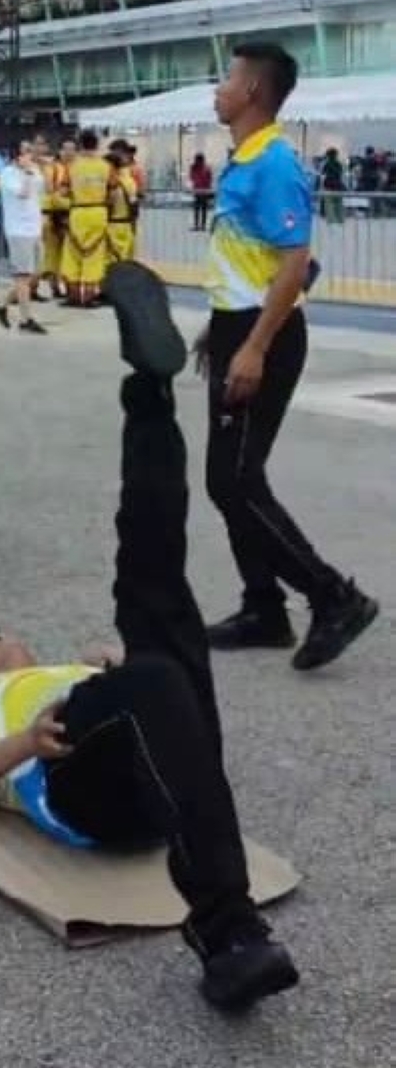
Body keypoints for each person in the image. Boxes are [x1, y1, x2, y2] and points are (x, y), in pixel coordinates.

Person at [0, 263, 299, 1013]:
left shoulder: (68, 669)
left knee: (158, 585)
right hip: (74, 782)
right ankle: (228, 930)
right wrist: (24, 743)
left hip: (126, 734)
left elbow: (135, 681)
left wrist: (111, 671)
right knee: (159, 660)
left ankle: (149, 396)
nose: (2, 637)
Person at [199, 42, 377, 669]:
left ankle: (333, 597)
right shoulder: (244, 158)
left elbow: (297, 262)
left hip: (263, 336)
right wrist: (219, 331)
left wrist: (252, 346)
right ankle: (263, 608)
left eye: (227, 79)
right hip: (236, 326)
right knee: (231, 479)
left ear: (252, 91)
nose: (218, 89)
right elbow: (252, 262)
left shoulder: (272, 161)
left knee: (235, 478)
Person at [0, 140, 47, 334]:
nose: (30, 155)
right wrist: (27, 173)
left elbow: (39, 192)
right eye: (26, 152)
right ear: (17, 156)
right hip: (18, 230)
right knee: (23, 275)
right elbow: (22, 194)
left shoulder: (36, 170)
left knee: (37, 271)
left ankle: (2, 304)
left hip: (35, 228)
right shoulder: (7, 175)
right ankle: (26, 318)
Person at [60, 129, 111, 307]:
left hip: (78, 212)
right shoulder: (105, 166)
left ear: (80, 144)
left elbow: (63, 191)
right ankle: (89, 297)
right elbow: (112, 191)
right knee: (94, 254)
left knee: (74, 252)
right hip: (98, 212)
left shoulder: (72, 166)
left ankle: (73, 296)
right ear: (96, 144)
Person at [32, 135, 65, 300]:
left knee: (51, 252)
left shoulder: (55, 167)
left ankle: (55, 285)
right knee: (34, 253)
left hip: (49, 213)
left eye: (43, 144)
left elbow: (56, 189)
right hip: (30, 215)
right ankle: (31, 287)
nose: (40, 148)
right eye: (37, 144)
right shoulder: (26, 166)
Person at [105, 141, 139, 266]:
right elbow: (134, 205)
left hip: (111, 227)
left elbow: (108, 204)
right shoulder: (129, 180)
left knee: (110, 263)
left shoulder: (111, 182)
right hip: (127, 226)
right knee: (126, 263)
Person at [319, 146, 345, 226]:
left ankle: (331, 219)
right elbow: (341, 173)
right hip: (338, 185)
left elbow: (323, 174)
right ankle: (340, 219)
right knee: (339, 203)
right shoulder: (339, 164)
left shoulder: (326, 164)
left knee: (329, 203)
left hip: (329, 185)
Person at [189, 152, 214, 231]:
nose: (197, 161)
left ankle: (201, 225)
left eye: (198, 160)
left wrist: (206, 186)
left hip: (202, 191)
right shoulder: (195, 168)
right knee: (198, 209)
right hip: (199, 191)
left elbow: (208, 179)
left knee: (202, 209)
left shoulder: (205, 168)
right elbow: (192, 177)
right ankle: (198, 225)